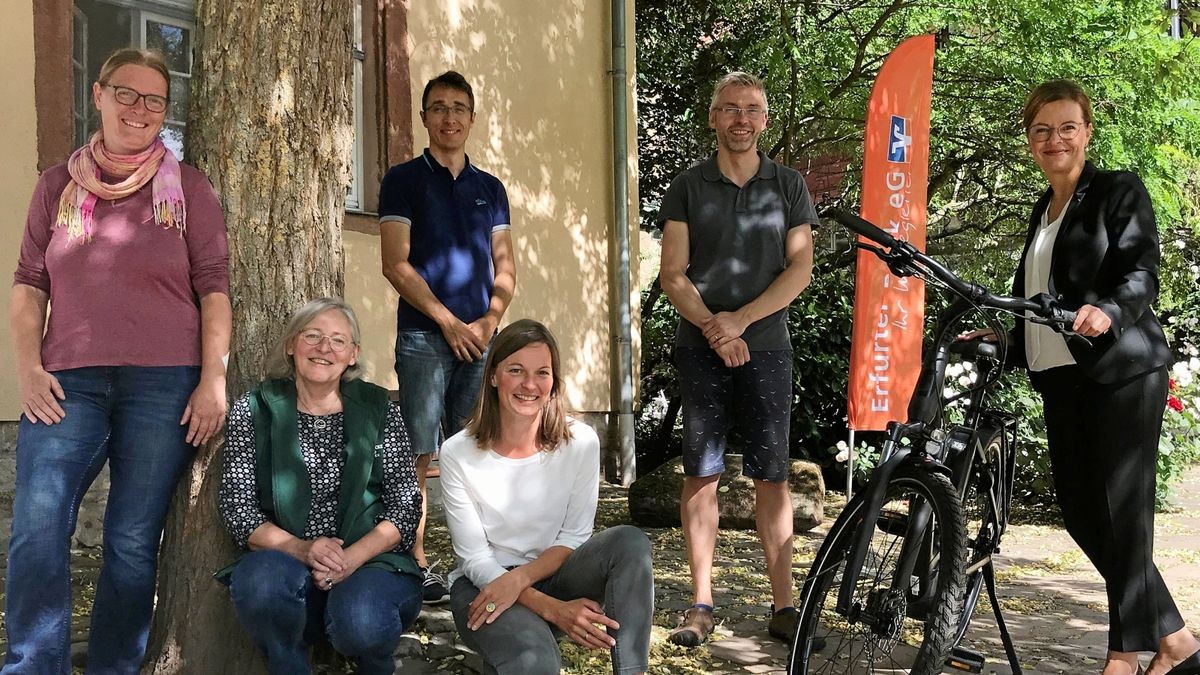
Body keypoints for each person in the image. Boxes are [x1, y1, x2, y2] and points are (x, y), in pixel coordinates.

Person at [4, 48, 231, 673]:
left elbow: (213, 284)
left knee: (131, 543)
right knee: (36, 527)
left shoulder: (187, 188)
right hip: (65, 381)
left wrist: (214, 378)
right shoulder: (57, 185)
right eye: (126, 94)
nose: (139, 109)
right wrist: (26, 368)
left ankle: (113, 668)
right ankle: (31, 665)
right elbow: (29, 281)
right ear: (98, 94)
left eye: (154, 100)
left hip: (164, 384)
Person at [966, 79, 1199, 675]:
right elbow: (1040, 299)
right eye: (1042, 130)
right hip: (1061, 377)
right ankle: (1176, 640)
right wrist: (1007, 340)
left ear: (1087, 132)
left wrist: (1111, 312)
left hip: (1121, 370)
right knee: (1079, 511)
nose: (1055, 139)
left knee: (1125, 515)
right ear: (1029, 141)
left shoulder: (1116, 191)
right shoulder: (1041, 213)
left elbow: (1141, 270)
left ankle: (1124, 654)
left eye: (1067, 127)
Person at [658, 71, 818, 647]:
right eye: (729, 109)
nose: (741, 119)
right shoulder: (686, 186)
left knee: (772, 475)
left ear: (765, 119)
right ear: (713, 118)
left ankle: (784, 606)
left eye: (752, 109)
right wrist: (713, 328)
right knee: (702, 474)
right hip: (701, 347)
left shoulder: (790, 185)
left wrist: (741, 322)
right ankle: (701, 603)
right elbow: (672, 273)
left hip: (767, 347)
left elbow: (799, 268)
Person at [216, 298, 423, 675]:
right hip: (287, 563)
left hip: (368, 563)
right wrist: (303, 548)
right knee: (260, 586)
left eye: (337, 341)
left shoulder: (379, 407)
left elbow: (405, 505)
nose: (324, 348)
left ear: (353, 354)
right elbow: (238, 507)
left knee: (362, 623)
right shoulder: (255, 408)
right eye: (313, 336)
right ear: (291, 345)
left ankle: (373, 662)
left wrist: (351, 559)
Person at [439, 319, 653, 675]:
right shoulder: (457, 453)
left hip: (555, 574)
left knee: (630, 543)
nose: (529, 384)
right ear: (493, 376)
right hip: (484, 586)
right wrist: (551, 608)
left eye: (542, 372)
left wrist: (524, 582)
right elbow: (475, 559)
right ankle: (516, 643)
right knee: (533, 661)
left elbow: (574, 536)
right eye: (516, 370)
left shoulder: (581, 442)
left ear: (554, 382)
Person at [379, 70, 517, 604]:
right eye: (438, 107)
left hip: (481, 341)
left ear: (472, 117)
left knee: (477, 451)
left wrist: (488, 323)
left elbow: (505, 267)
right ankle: (415, 564)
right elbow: (396, 264)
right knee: (419, 453)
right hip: (424, 336)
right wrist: (447, 321)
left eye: (459, 107)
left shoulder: (491, 189)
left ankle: (477, 562)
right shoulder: (403, 179)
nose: (449, 117)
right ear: (424, 118)